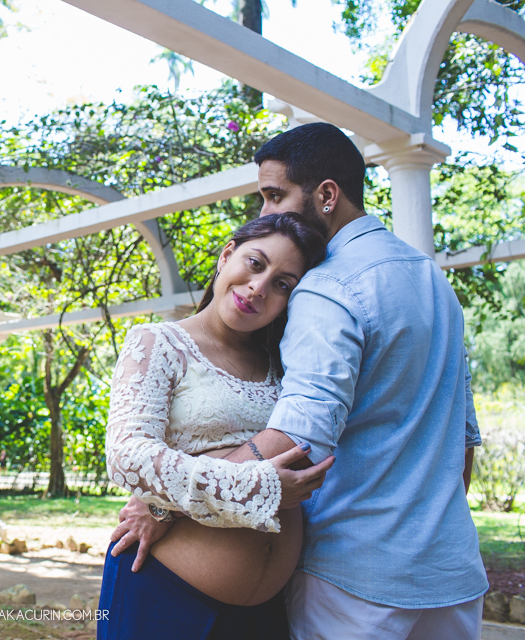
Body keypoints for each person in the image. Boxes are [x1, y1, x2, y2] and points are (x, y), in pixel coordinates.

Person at [112, 123, 488, 640]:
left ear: (327, 195)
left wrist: (164, 504)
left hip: (356, 580)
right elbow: (463, 441)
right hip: (449, 573)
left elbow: (300, 436)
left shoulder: (327, 285)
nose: (264, 212)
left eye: (274, 195)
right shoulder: (433, 281)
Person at [98, 212, 334, 639]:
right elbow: (127, 454)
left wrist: (166, 506)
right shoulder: (158, 342)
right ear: (227, 255)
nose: (258, 288)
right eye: (255, 264)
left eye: (283, 284)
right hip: (165, 592)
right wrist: (256, 487)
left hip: (266, 611)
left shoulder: (284, 366)